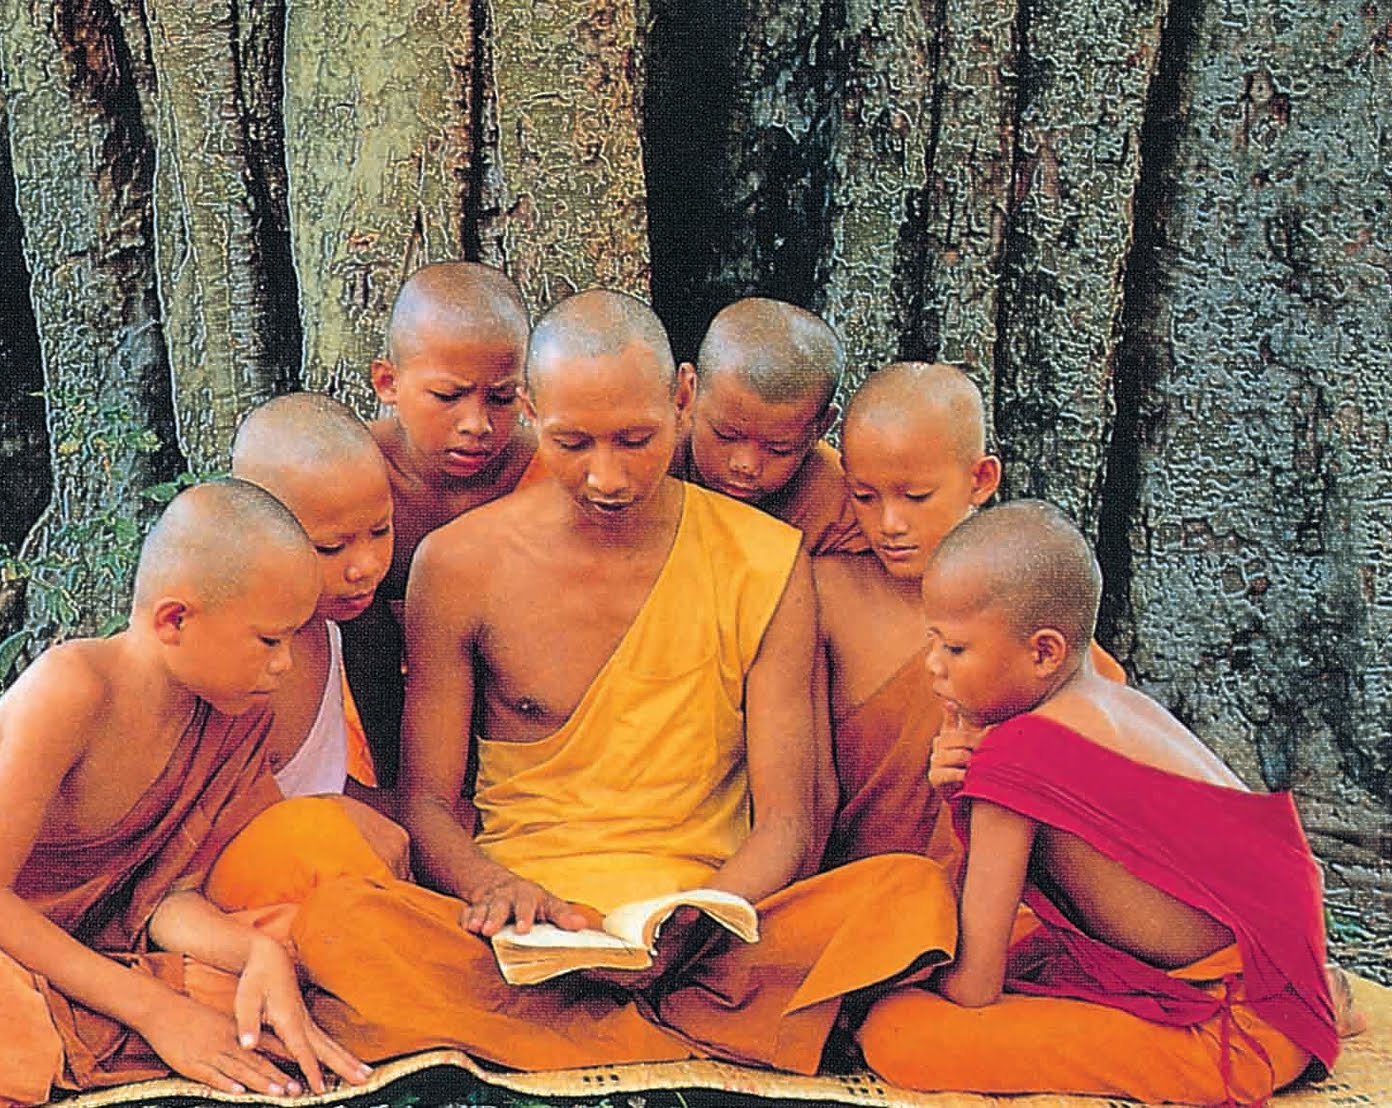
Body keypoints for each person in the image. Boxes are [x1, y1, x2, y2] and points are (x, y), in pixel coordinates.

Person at [215, 289, 956, 1074]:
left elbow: (788, 820)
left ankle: (584, 1027)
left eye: (636, 440)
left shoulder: (763, 556)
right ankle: (687, 1031)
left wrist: (703, 915)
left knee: (908, 897)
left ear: (681, 400)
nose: (607, 477)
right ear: (533, 412)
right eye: (573, 443)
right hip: (523, 925)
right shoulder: (460, 565)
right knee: (342, 925)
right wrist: (492, 886)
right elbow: (428, 801)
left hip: (708, 923)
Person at [0, 481, 372, 1108]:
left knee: (294, 961)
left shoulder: (238, 711)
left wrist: (256, 952)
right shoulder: (73, 687)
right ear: (174, 619)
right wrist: (156, 1011)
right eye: (270, 641)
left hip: (86, 954)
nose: (286, 665)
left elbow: (166, 899)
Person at [857, 500, 1359, 1104]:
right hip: (1279, 974)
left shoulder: (1016, 756)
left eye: (957, 650)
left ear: (1044, 652)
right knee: (1014, 937)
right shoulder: (1119, 704)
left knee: (895, 1031)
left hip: (1234, 1034)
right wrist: (961, 793)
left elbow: (974, 989)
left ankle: (1298, 1029)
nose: (934, 668)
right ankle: (1317, 1004)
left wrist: (900, 977)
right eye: (932, 641)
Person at [817, 362, 1124, 875]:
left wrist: (996, 770)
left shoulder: (1032, 623)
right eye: (864, 497)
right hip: (853, 889)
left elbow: (1095, 804)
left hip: (997, 891)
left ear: (981, 480)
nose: (890, 524)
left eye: (916, 497)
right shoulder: (823, 594)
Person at [202, 394, 411, 900]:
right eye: (330, 548)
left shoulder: (329, 626)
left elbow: (313, 781)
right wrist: (332, 819)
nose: (363, 566)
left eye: (379, 531)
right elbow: (209, 812)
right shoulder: (235, 656)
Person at [340, 261, 538, 784]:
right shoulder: (353, 473)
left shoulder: (542, 474)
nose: (477, 425)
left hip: (515, 739)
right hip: (373, 735)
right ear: (388, 382)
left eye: (501, 399)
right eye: (448, 397)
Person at [671, 297, 866, 555]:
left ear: (821, 427)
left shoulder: (840, 506)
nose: (746, 466)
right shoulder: (645, 455)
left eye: (779, 449)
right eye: (726, 435)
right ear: (686, 394)